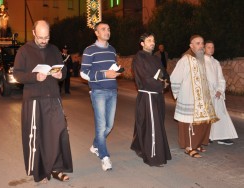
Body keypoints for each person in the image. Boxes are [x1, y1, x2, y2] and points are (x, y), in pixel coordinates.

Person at [13, 20, 73, 183]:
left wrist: (61, 74)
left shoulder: (54, 49)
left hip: (53, 97)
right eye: (41, 37)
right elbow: (17, 74)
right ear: (33, 33)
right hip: (34, 99)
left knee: (58, 132)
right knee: (37, 136)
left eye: (47, 37)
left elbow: (63, 68)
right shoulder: (24, 51)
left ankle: (56, 168)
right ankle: (38, 172)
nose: (44, 40)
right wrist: (34, 77)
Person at [80, 21, 121, 171]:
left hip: (112, 90)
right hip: (98, 92)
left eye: (108, 29)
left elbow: (112, 69)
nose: (107, 31)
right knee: (101, 125)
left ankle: (95, 145)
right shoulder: (89, 50)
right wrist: (105, 74)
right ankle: (104, 156)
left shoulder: (112, 50)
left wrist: (116, 72)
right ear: (96, 33)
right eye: (103, 29)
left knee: (109, 125)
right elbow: (84, 73)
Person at [170, 35, 219, 158]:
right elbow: (175, 77)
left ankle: (196, 144)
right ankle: (189, 147)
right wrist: (176, 93)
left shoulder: (201, 59)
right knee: (190, 123)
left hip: (202, 98)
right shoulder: (185, 60)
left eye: (202, 43)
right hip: (189, 97)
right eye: (197, 43)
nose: (201, 46)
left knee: (202, 123)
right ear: (191, 46)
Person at [130, 33, 171, 167]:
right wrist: (161, 85)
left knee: (154, 123)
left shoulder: (156, 58)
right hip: (147, 95)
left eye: (153, 40)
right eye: (149, 40)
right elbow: (144, 78)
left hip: (157, 95)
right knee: (152, 126)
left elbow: (164, 73)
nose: (152, 43)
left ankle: (139, 146)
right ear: (142, 43)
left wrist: (166, 82)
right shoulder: (138, 58)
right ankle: (154, 156)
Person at [204, 41, 238, 145]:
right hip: (207, 93)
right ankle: (207, 137)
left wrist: (219, 90)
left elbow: (221, 78)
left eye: (212, 47)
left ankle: (222, 136)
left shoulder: (216, 62)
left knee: (221, 115)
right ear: (204, 48)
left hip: (217, 94)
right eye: (208, 47)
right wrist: (209, 91)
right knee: (207, 116)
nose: (211, 49)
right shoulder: (200, 61)